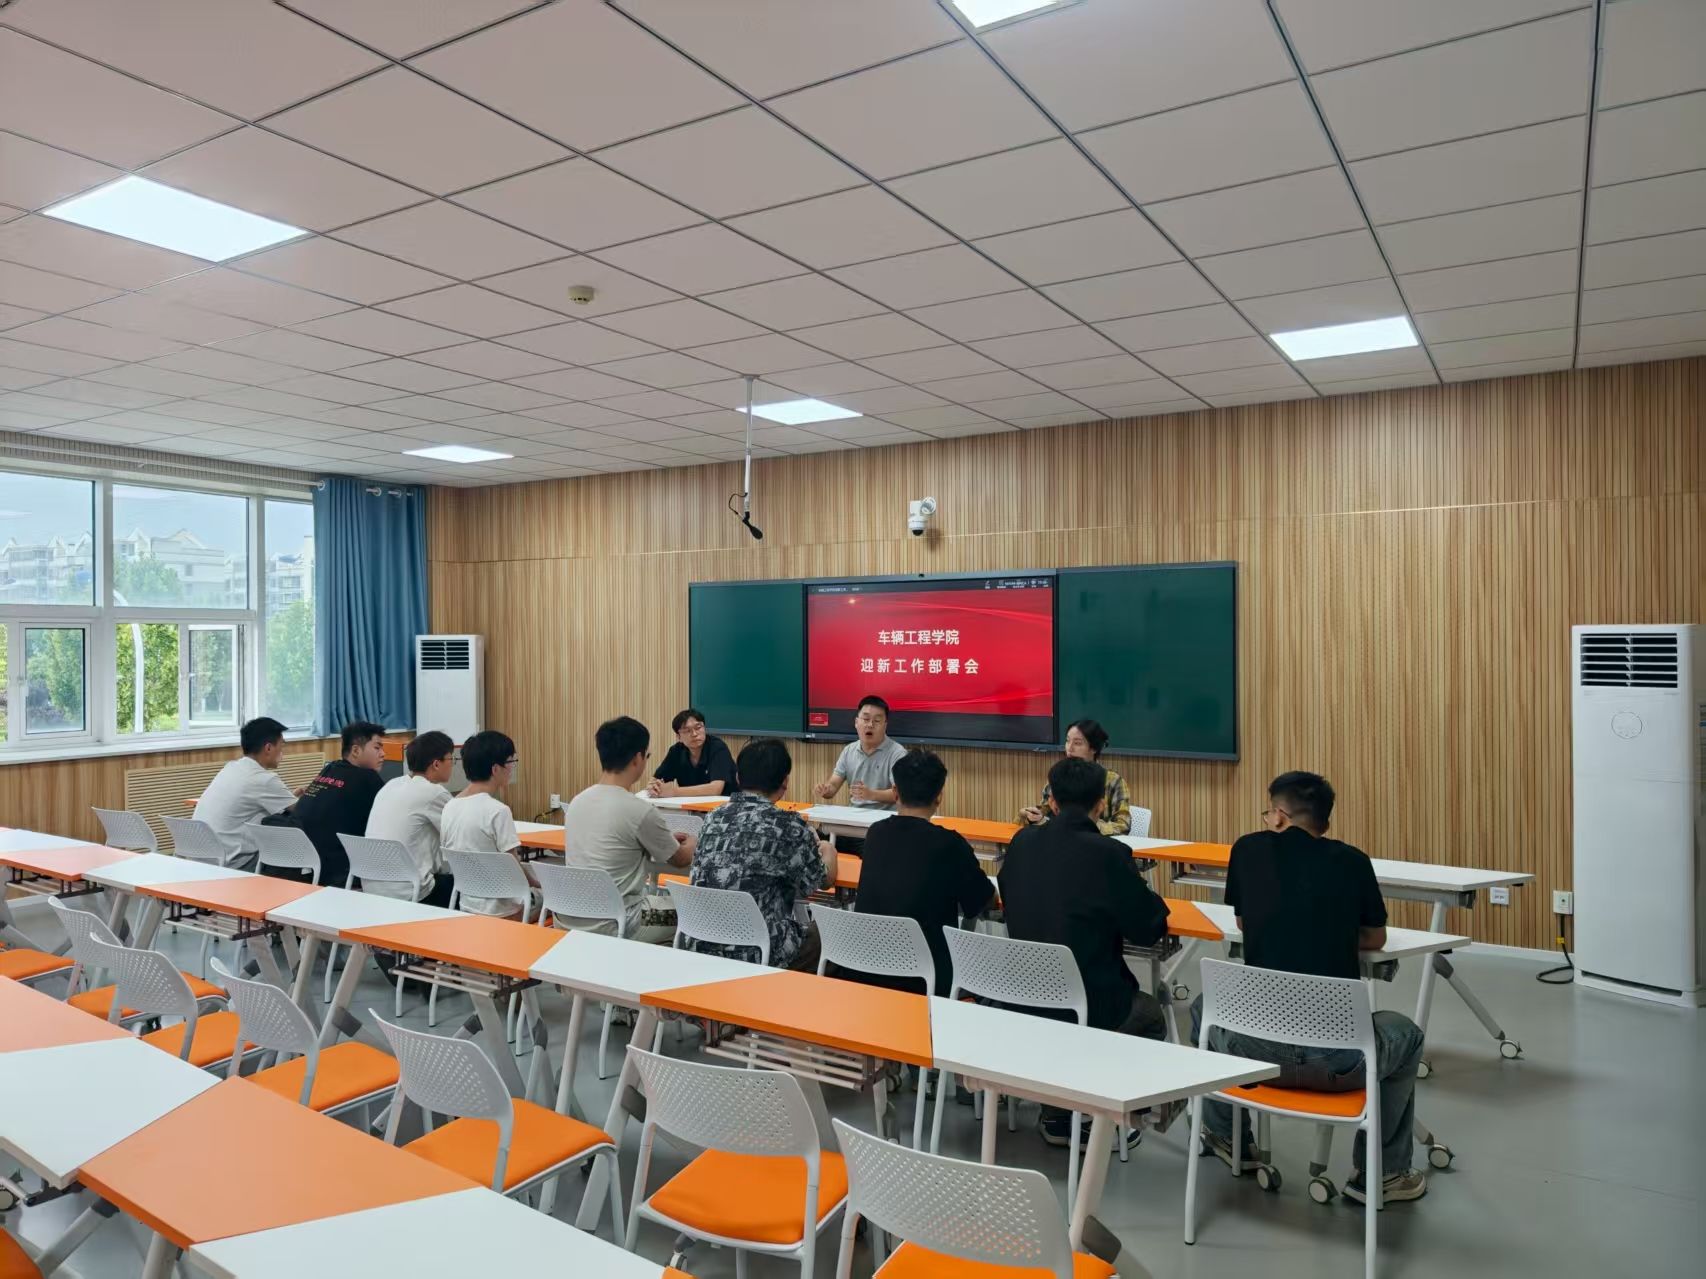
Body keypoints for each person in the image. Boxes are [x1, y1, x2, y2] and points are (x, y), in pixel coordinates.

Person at [1191, 771, 1426, 1206]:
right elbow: (1375, 938)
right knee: (1406, 1034)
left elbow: (1243, 921)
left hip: (1252, 1051)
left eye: (1268, 813)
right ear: (1325, 822)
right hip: (1338, 1062)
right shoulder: (1353, 862)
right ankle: (1382, 1173)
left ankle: (1227, 1137)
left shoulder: (1247, 850)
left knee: (1204, 1007)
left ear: (1280, 816)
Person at [1000, 756, 1169, 1147]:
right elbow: (1148, 928)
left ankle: (1058, 1113)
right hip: (1091, 1003)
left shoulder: (1021, 843)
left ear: (1052, 802)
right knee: (1150, 1014)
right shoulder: (1109, 854)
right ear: (1100, 804)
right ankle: (1110, 1117)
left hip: (1022, 1000)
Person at [841, 748, 993, 995]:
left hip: (865, 972)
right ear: (939, 797)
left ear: (896, 793)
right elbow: (982, 901)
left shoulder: (876, 834)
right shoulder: (950, 844)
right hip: (926, 980)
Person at [690, 738, 835, 971]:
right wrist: (828, 850)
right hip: (760, 953)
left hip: (702, 945)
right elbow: (823, 881)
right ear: (785, 782)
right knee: (832, 932)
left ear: (738, 778)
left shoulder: (713, 817)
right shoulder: (788, 825)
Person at [562, 716, 691, 942]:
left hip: (569, 914)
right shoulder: (639, 810)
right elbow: (680, 859)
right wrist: (694, 843)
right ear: (638, 758)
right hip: (621, 920)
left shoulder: (577, 801)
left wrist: (663, 839)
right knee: (692, 912)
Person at [265, 721, 386, 888]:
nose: (383, 754)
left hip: (301, 864)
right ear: (356, 751)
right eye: (377, 748)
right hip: (336, 870)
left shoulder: (330, 768)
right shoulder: (368, 778)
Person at [363, 730, 455, 906]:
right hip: (410, 891)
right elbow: (461, 830)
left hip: (372, 886)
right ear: (436, 764)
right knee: (469, 885)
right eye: (451, 759)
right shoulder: (433, 792)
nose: (453, 764)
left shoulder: (391, 784)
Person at [440, 730, 524, 916]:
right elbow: (515, 871)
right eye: (510, 762)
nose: (512, 767)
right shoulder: (498, 811)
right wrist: (539, 884)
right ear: (495, 769)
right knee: (547, 901)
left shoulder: (449, 807)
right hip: (503, 910)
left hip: (466, 903)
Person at [193, 716, 297, 866]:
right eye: (282, 745)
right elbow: (303, 811)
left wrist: (289, 798)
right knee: (294, 850)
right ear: (268, 748)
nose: (282, 751)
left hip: (200, 859)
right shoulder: (263, 779)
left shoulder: (231, 768)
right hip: (232, 865)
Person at [1019, 719, 1133, 837]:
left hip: (1097, 843)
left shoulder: (1113, 781)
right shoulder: (1059, 775)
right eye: (1067, 741)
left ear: (1094, 748)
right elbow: (1046, 811)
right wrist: (1033, 815)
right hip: (1061, 841)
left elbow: (1122, 826)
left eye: (1077, 743)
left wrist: (1085, 824)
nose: (1070, 748)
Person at [647, 708, 737, 798]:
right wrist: (653, 787)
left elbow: (716, 789)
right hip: (690, 804)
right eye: (687, 731)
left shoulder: (717, 747)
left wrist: (674, 791)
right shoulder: (676, 751)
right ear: (679, 737)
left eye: (698, 728)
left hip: (726, 803)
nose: (694, 734)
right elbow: (655, 779)